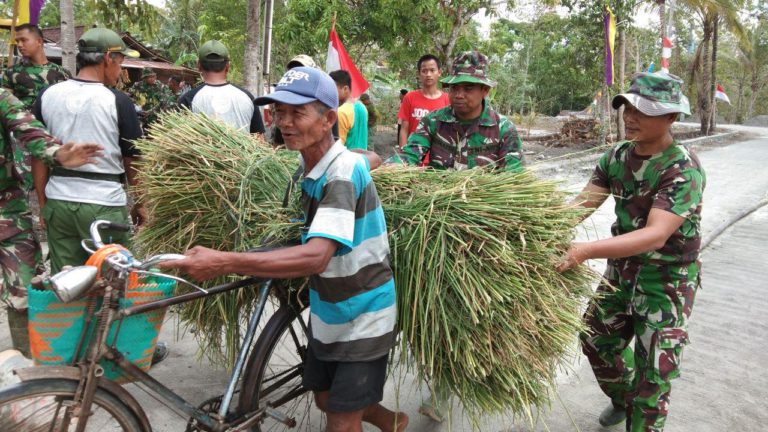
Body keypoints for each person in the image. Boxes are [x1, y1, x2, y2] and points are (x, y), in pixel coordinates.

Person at [159, 66, 408, 432]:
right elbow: (365, 158)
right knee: (326, 399)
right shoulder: (309, 164)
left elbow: (316, 256)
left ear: (327, 120)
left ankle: (368, 416)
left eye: (297, 113)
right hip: (330, 308)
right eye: (279, 112)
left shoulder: (340, 174)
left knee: (341, 420)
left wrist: (224, 262)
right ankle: (393, 422)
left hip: (363, 312)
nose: (284, 123)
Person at [556, 72, 704, 432]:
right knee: (595, 340)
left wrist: (584, 251)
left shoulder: (682, 168)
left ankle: (640, 410)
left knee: (652, 379)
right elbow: (581, 205)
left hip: (665, 283)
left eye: (643, 111)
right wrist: (538, 226)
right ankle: (624, 399)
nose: (631, 117)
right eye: (628, 108)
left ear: (671, 117)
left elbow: (655, 235)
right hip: (621, 274)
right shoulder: (616, 157)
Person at [0, 87, 102, 356]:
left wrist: (56, 153)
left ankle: (31, 367)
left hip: (8, 214)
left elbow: (28, 129)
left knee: (25, 294)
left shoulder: (1, 98)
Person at [402, 51, 524, 173]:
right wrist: (394, 167)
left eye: (468, 88)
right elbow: (408, 155)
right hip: (438, 185)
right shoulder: (432, 121)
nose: (459, 95)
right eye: (454, 88)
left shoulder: (503, 129)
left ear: (485, 91)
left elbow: (514, 174)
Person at [178, 40, 265, 134]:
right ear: (228, 66)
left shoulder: (188, 99)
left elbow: (178, 138)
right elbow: (259, 139)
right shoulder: (247, 97)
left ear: (199, 65)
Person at [2, 24, 72, 110]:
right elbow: (4, 107)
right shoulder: (11, 72)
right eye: (17, 41)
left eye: (23, 40)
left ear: (39, 41)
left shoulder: (63, 73)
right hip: (24, 118)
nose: (19, 45)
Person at [397, 54, 449, 149]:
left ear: (439, 72)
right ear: (418, 74)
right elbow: (404, 129)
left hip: (439, 155)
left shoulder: (448, 100)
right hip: (413, 154)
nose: (428, 74)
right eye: (424, 71)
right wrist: (403, 154)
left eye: (432, 70)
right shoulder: (409, 97)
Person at [272, 54, 319, 145]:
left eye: (302, 70)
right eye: (293, 70)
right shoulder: (284, 97)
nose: (297, 73)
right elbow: (278, 143)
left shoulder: (320, 100)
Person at [329, 69, 368, 150]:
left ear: (345, 89)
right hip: (363, 156)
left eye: (333, 88)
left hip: (347, 157)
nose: (330, 92)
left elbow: (338, 146)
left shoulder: (341, 112)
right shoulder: (362, 107)